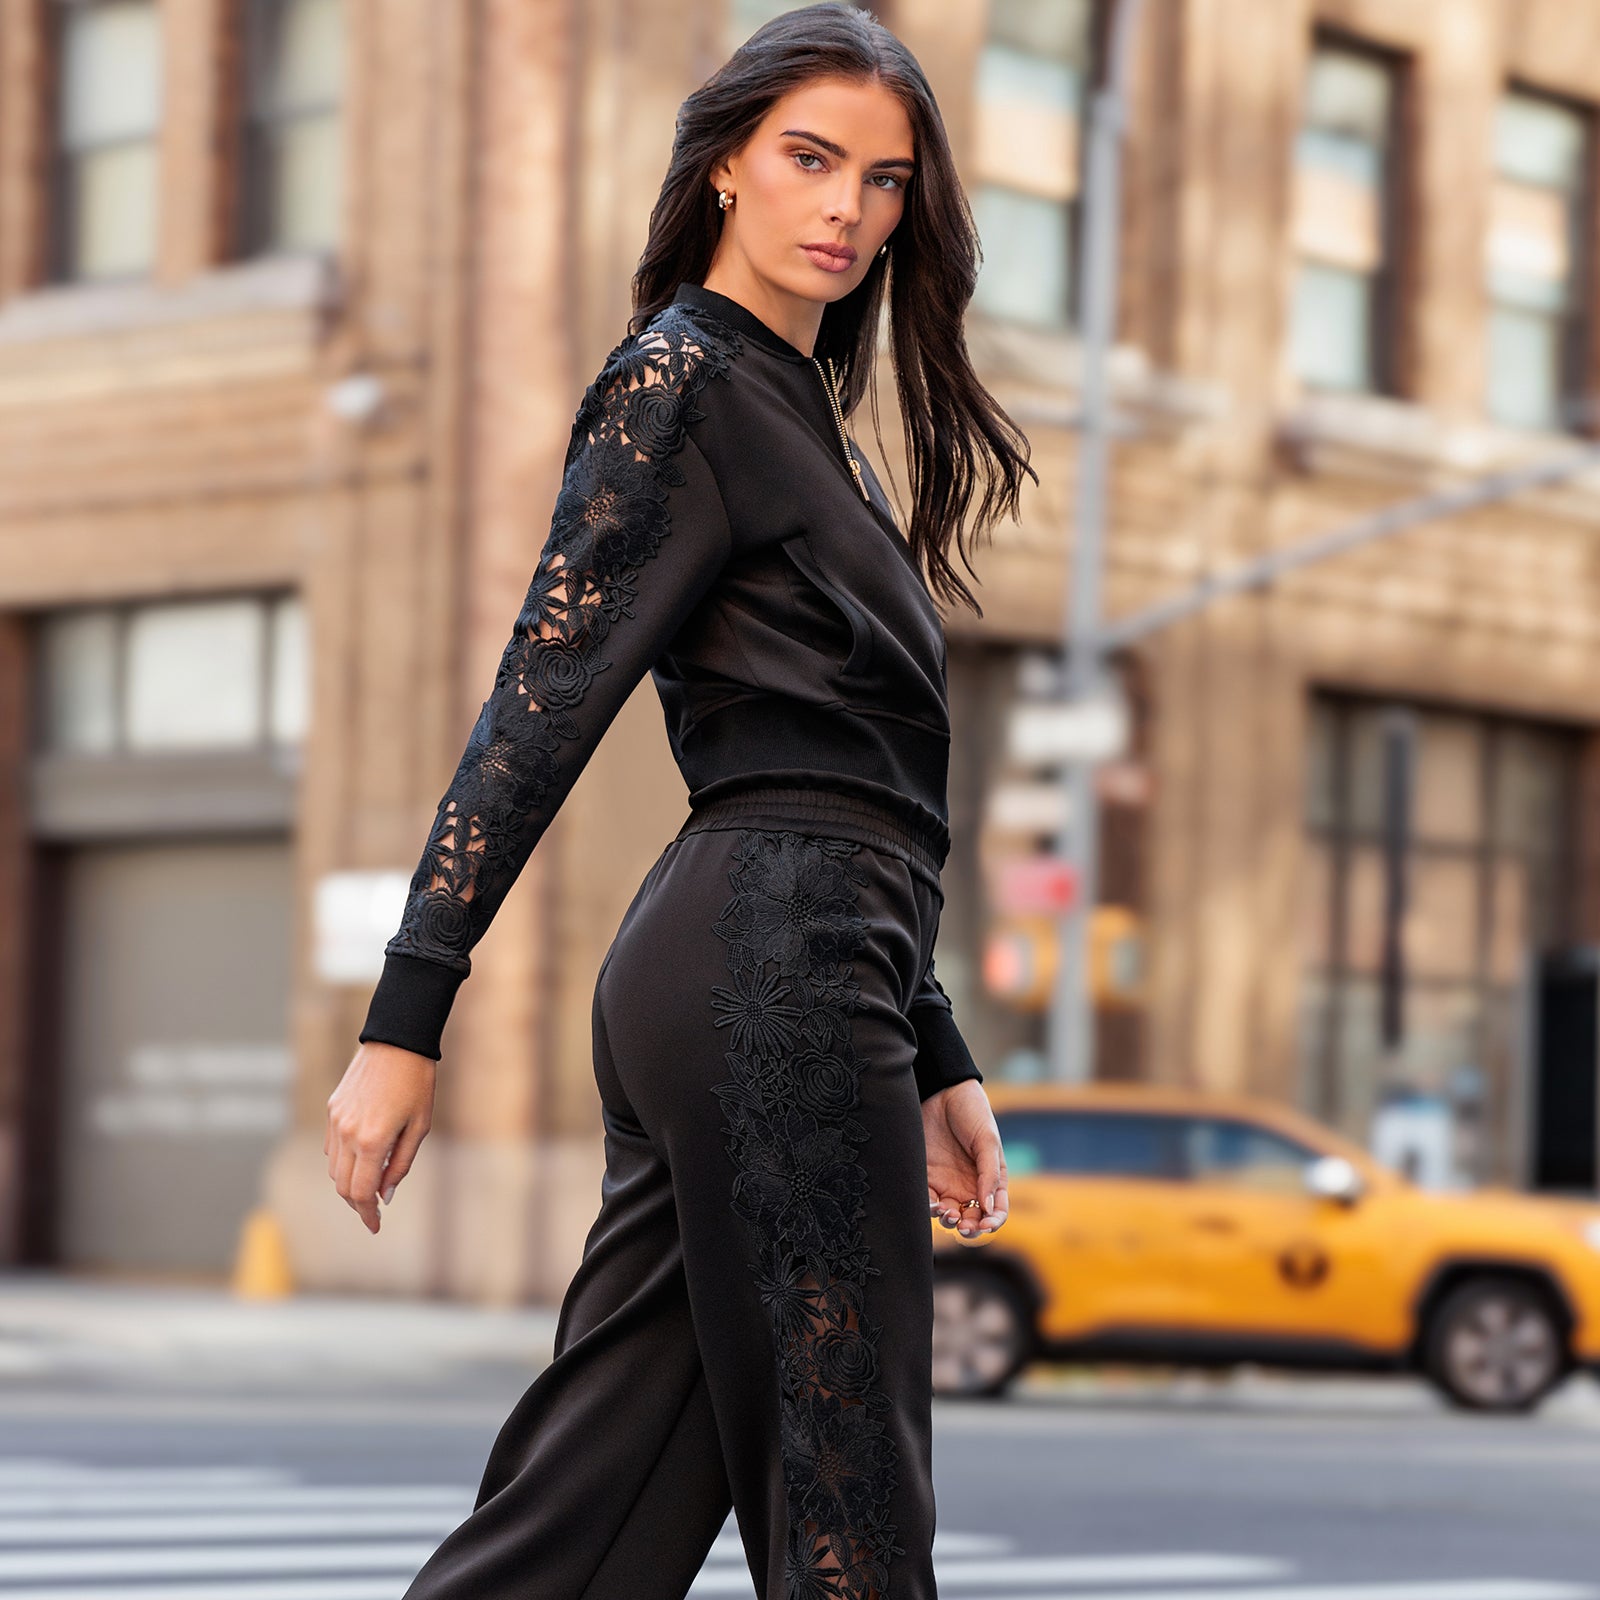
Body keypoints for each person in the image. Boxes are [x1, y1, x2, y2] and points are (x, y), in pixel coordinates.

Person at [324, 6, 1036, 1596]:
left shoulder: (802, 421)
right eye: (807, 158)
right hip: (772, 961)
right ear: (723, 163)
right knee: (847, 1502)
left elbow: (855, 769)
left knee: (590, 1517)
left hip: (786, 957)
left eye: (884, 178)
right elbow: (540, 702)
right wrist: (403, 1017)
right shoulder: (680, 387)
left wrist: (937, 1051)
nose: (846, 206)